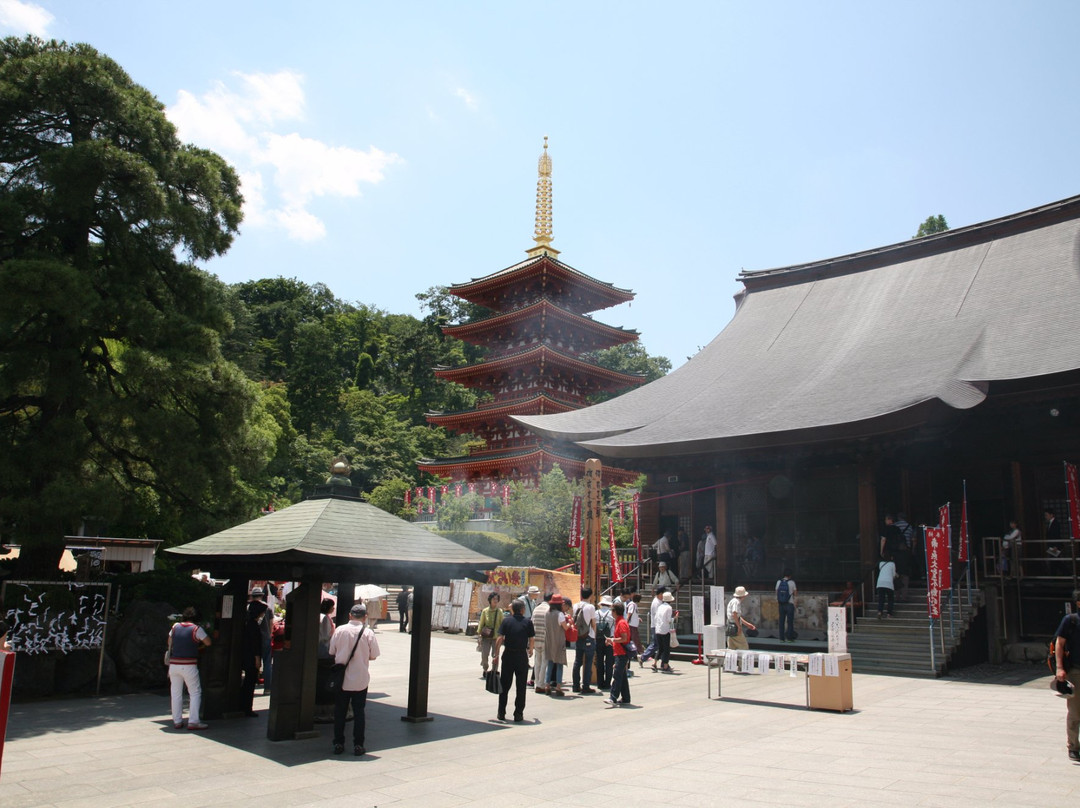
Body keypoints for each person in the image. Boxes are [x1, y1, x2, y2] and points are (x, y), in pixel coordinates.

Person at [328, 603, 380, 756]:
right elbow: (374, 655)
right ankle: (358, 744)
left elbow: (332, 651)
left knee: (339, 713)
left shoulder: (339, 630)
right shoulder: (368, 633)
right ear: (365, 617)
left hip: (341, 680)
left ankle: (338, 743)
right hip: (360, 679)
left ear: (350, 615)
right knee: (359, 713)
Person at [167, 606, 211, 730]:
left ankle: (177, 721)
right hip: (189, 664)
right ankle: (193, 721)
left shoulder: (175, 627)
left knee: (175, 693)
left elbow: (169, 641)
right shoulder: (196, 629)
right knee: (195, 692)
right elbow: (208, 642)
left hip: (174, 664)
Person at [493, 598, 535, 722]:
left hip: (508, 655)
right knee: (521, 686)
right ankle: (518, 714)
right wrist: (531, 650)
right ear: (522, 610)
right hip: (521, 656)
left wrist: (496, 655)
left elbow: (500, 638)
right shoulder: (527, 622)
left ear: (513, 609)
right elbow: (532, 638)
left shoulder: (506, 621)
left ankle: (501, 712)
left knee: (504, 686)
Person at [1052, 590, 1080, 761]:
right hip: (1076, 671)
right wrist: (1060, 667)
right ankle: (1073, 747)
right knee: (1076, 711)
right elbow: (1059, 644)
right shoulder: (1070, 620)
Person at [604, 600, 632, 707]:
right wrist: (612, 640)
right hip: (619, 652)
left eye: (612, 611)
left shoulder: (621, 623)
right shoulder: (620, 622)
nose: (611, 613)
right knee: (622, 676)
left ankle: (613, 697)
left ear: (615, 611)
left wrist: (613, 640)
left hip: (621, 653)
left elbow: (624, 638)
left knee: (617, 675)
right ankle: (626, 698)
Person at [571, 587, 597, 694]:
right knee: (588, 661)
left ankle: (575, 685)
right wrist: (594, 635)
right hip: (588, 636)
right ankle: (586, 685)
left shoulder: (575, 605)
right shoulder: (591, 607)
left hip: (578, 636)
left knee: (578, 662)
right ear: (590, 595)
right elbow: (593, 623)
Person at [543, 594, 569, 696]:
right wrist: (570, 624)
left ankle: (547, 685)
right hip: (558, 641)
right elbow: (565, 627)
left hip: (549, 641)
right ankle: (558, 687)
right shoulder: (560, 614)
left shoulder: (547, 613)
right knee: (559, 664)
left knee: (550, 664)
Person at [248, 586, 273, 692]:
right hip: (266, 637)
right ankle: (267, 688)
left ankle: (252, 684)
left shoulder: (249, 607)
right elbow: (271, 624)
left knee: (254, 661)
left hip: (253, 638)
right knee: (267, 663)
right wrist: (270, 635)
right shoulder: (267, 608)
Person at [880, 515, 910, 601]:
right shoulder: (898, 529)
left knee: (894, 574)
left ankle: (896, 595)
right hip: (901, 555)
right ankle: (904, 596)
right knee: (903, 574)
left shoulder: (886, 529)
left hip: (890, 554)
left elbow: (883, 540)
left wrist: (881, 551)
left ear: (888, 520)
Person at [476, 592, 504, 678]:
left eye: (497, 599)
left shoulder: (500, 611)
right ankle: (485, 669)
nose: (495, 601)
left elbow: (502, 624)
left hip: (496, 637)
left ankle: (494, 670)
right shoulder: (485, 611)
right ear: (490, 600)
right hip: (486, 637)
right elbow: (481, 623)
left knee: (495, 654)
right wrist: (479, 635)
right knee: (484, 654)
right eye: (493, 599)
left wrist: (503, 635)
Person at [529, 593, 550, 690]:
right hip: (545, 639)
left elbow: (531, 623)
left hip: (536, 638)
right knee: (544, 663)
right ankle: (541, 684)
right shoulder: (549, 610)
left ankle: (537, 683)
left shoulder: (536, 609)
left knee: (537, 663)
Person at [595, 595, 615, 688]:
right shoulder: (612, 614)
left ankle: (600, 683)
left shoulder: (596, 613)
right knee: (609, 662)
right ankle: (607, 683)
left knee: (599, 661)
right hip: (610, 639)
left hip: (598, 638)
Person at [726, 586, 755, 651]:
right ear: (743, 596)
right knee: (744, 648)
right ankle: (742, 661)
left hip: (730, 627)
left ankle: (729, 661)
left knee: (731, 649)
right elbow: (735, 614)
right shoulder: (736, 602)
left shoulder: (733, 601)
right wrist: (739, 627)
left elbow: (736, 616)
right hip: (735, 627)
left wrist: (747, 624)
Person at [653, 591, 675, 672]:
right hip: (665, 630)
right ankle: (665, 665)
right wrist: (675, 617)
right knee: (666, 649)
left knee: (660, 648)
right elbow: (668, 620)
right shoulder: (669, 608)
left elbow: (656, 618)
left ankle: (654, 662)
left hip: (658, 629)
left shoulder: (660, 606)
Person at [775, 571, 797, 643]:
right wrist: (795, 603)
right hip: (789, 603)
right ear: (790, 575)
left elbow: (776, 592)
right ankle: (789, 638)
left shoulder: (779, 582)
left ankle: (781, 638)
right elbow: (795, 593)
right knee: (790, 621)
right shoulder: (792, 582)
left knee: (781, 621)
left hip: (781, 604)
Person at [876, 554, 897, 619]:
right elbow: (893, 574)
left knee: (881, 598)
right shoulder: (892, 564)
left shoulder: (881, 563)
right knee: (890, 599)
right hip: (888, 583)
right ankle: (889, 614)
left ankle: (880, 611)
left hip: (880, 583)